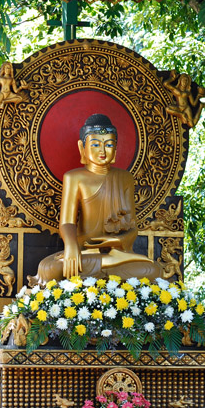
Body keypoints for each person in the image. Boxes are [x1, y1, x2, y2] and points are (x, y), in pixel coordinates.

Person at [35, 113, 163, 283]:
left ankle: (103, 270)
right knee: (50, 268)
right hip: (83, 253)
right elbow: (67, 222)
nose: (102, 151)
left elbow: (132, 227)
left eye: (109, 144)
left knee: (153, 270)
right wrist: (71, 247)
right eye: (95, 144)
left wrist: (116, 240)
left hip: (115, 254)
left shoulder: (125, 178)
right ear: (82, 147)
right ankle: (105, 274)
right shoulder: (74, 178)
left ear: (115, 148)